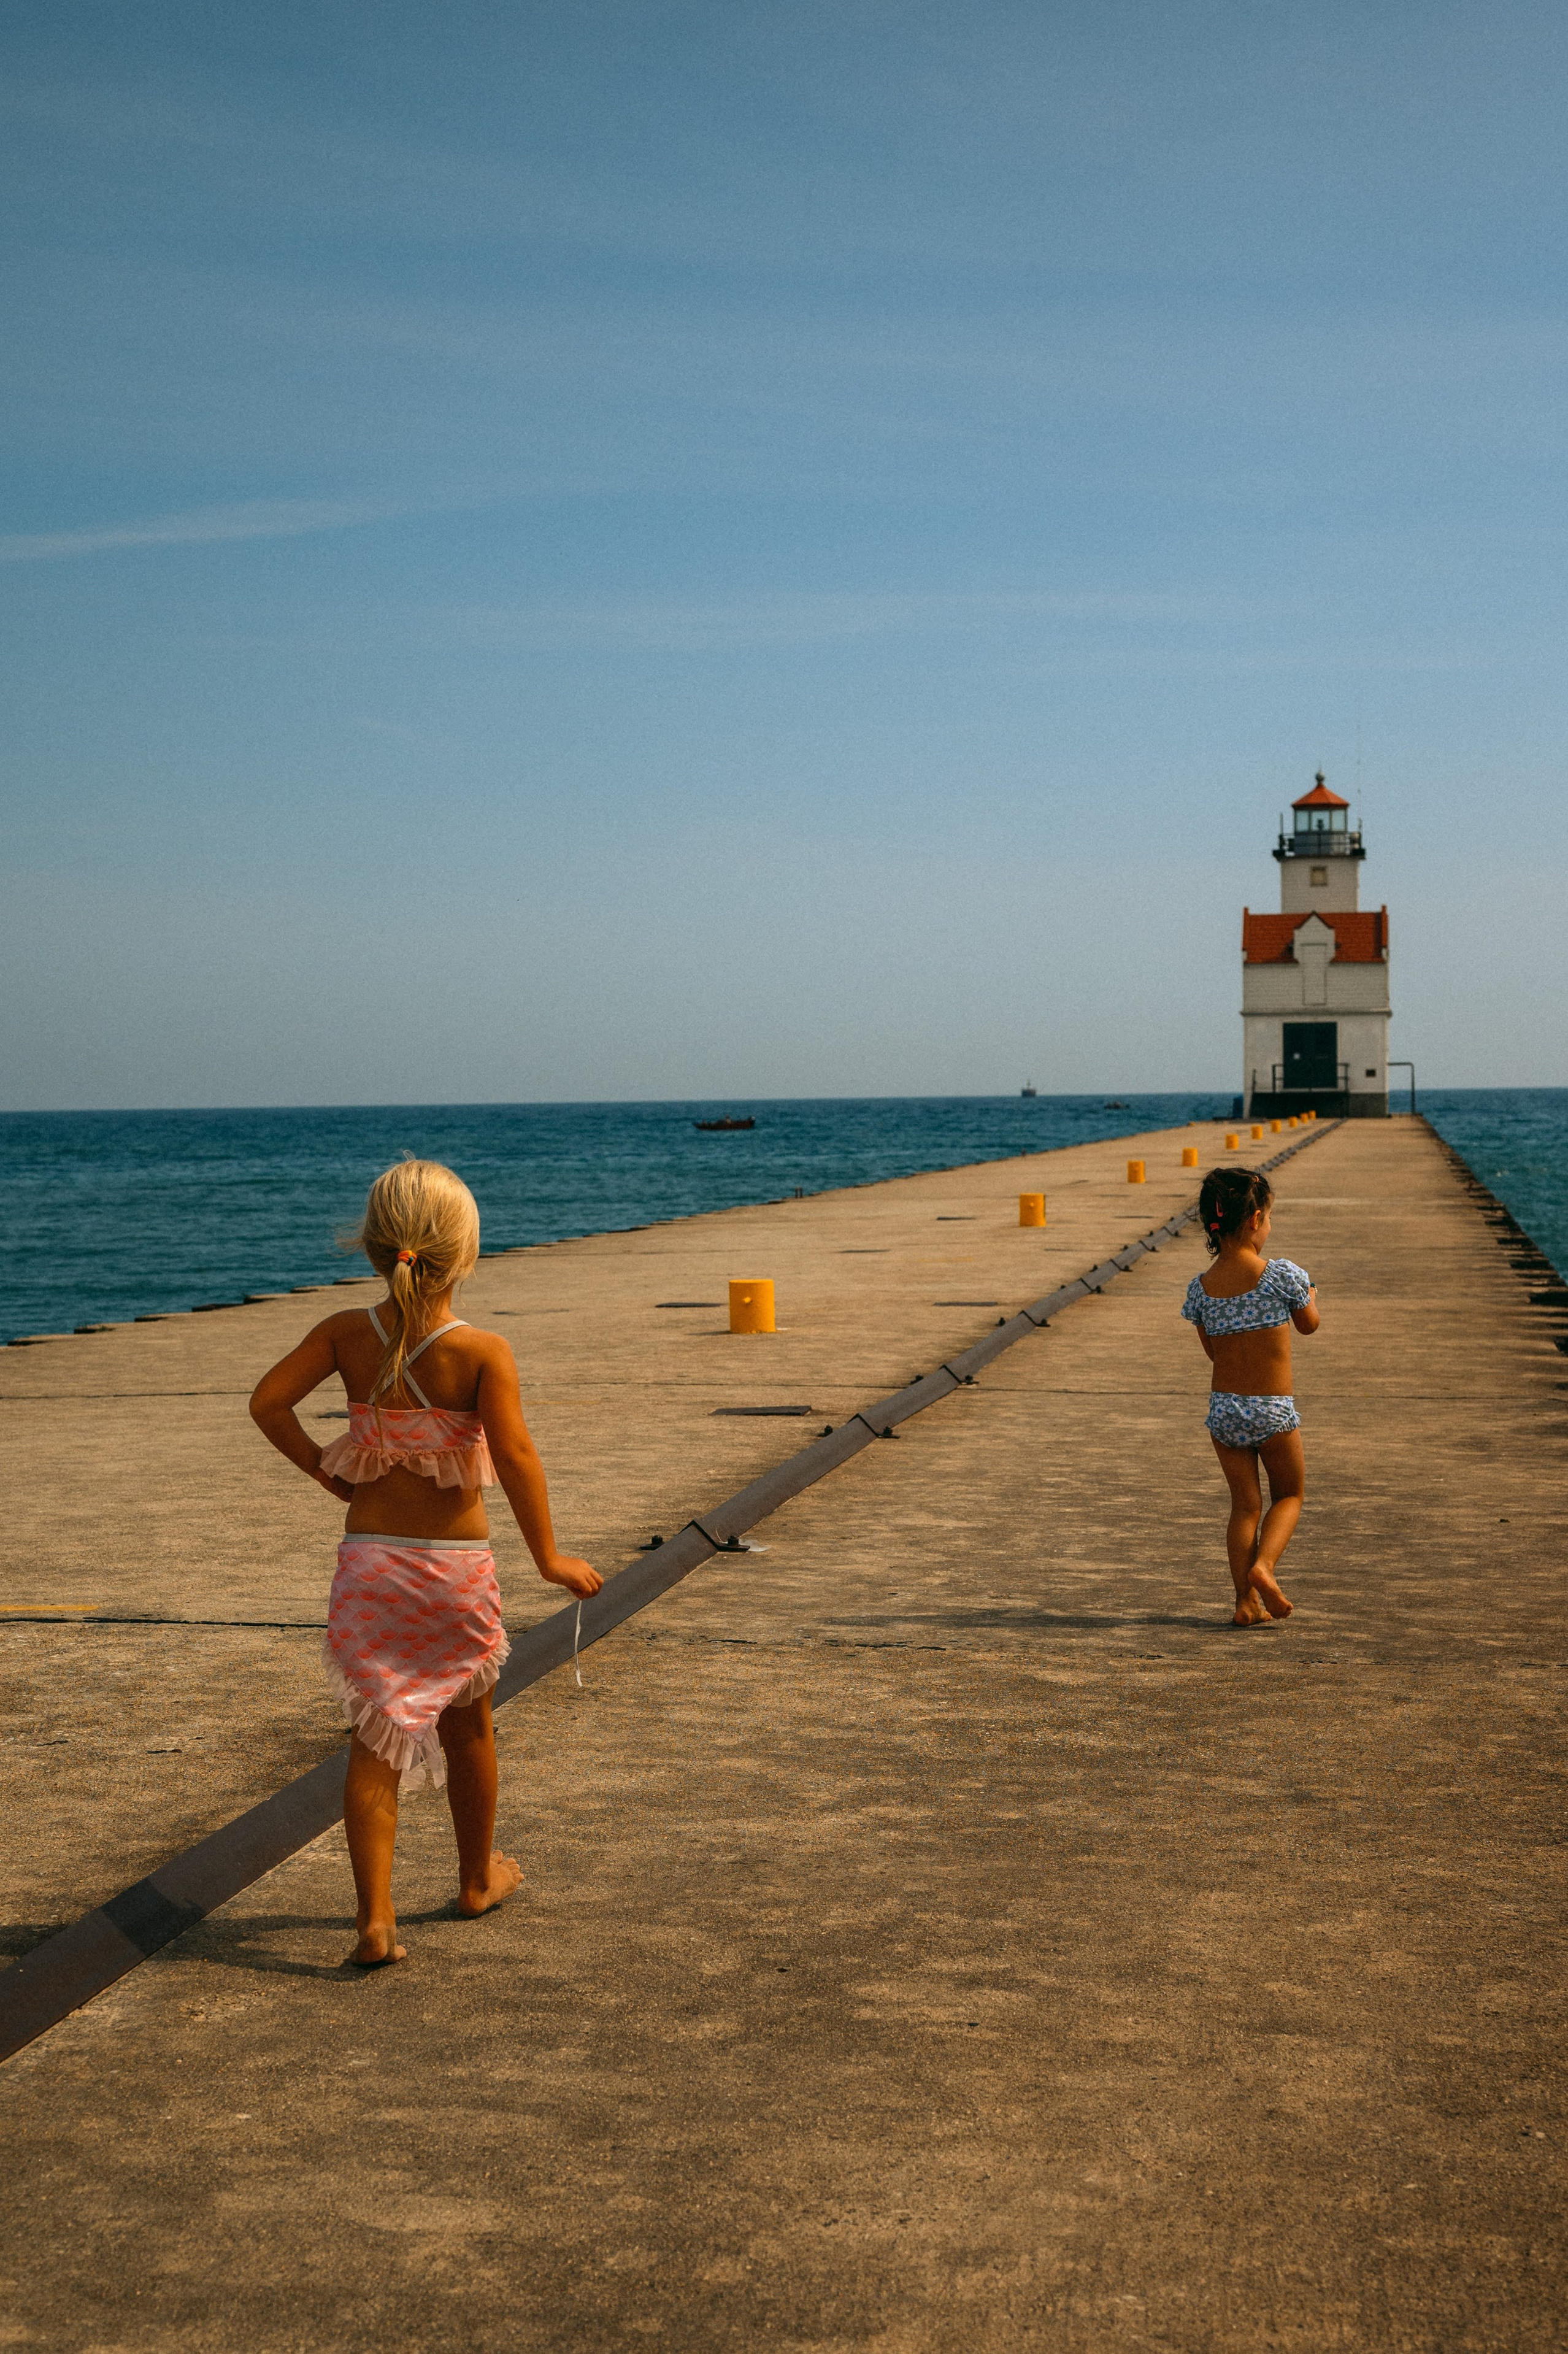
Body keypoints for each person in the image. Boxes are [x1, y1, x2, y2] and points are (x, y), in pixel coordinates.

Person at [250, 1157, 602, 1966]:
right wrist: (549, 1556)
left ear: (377, 1249)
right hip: (455, 1569)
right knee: (469, 1724)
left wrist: (326, 1469)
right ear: (465, 1253)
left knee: (375, 1735)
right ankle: (476, 1878)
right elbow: (516, 1456)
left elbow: (267, 1402)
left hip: (372, 1563)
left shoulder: (344, 1333)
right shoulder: (480, 1351)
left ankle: (375, 1921)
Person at [1181, 1166, 1320, 1626]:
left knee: (1244, 1507)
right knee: (1290, 1494)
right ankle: (1265, 1566)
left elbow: (1213, 1351)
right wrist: (1310, 1295)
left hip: (1225, 1412)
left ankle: (1245, 1602)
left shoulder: (1201, 1289)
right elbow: (1309, 1325)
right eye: (1270, 1218)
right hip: (1272, 1409)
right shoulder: (1281, 1276)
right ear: (1256, 1218)